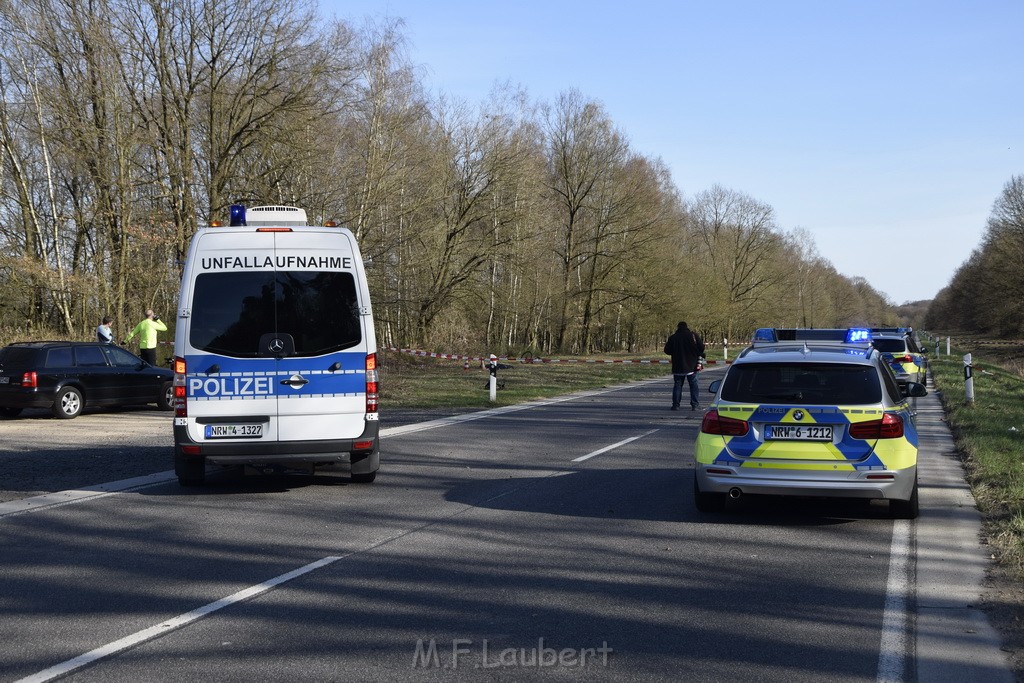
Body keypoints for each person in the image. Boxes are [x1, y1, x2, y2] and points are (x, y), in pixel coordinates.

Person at [664, 321, 706, 411]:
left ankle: (676, 405)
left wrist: (675, 351)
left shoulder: (673, 338)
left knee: (678, 385)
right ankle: (695, 405)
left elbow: (667, 350)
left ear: (678, 327)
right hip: (692, 365)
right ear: (687, 327)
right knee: (694, 385)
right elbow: (701, 348)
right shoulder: (693, 336)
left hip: (678, 366)